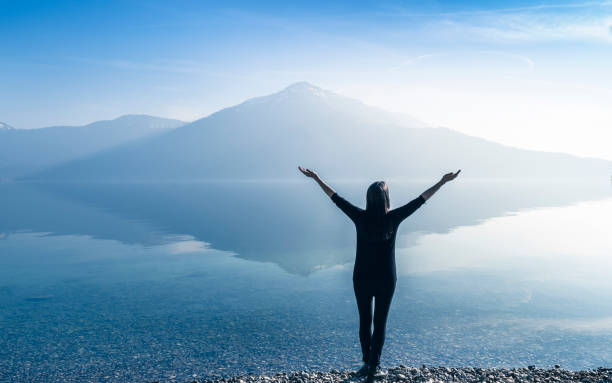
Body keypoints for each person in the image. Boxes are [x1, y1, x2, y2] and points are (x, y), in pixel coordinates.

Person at [298, 166, 460, 382]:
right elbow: (421, 199)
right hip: (386, 279)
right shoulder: (394, 217)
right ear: (386, 199)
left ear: (369, 199)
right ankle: (374, 366)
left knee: (364, 321)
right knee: (380, 323)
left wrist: (316, 178)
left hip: (362, 278)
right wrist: (442, 182)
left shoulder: (359, 216)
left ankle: (366, 363)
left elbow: (335, 197)